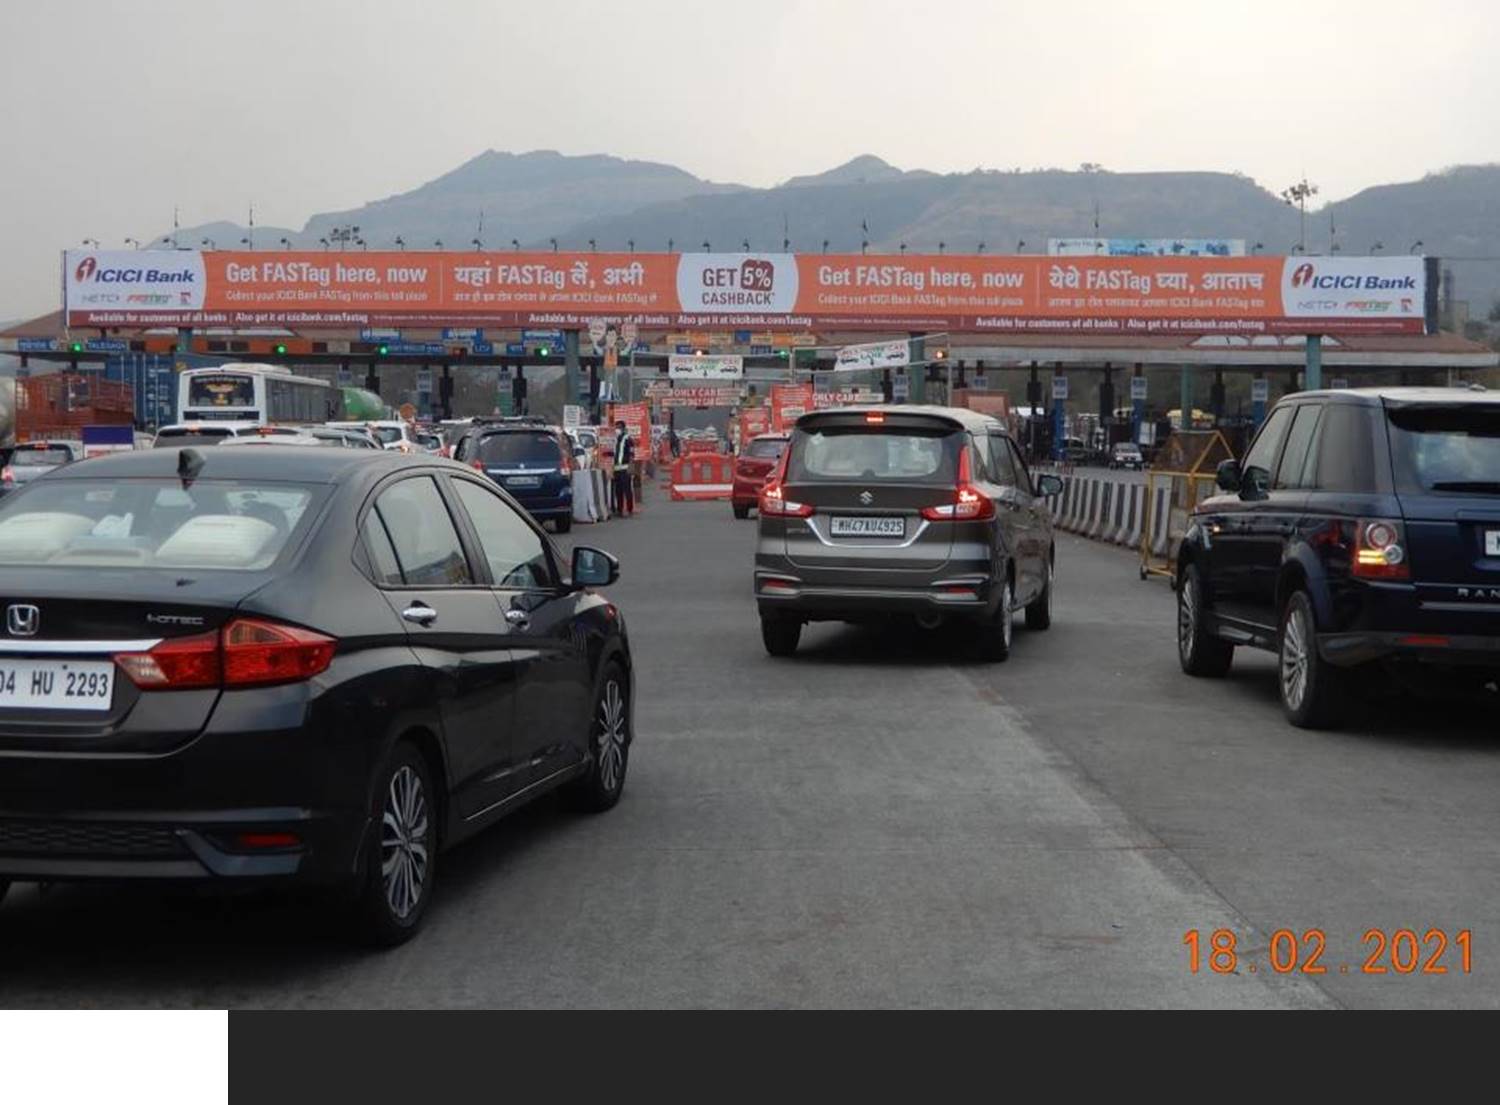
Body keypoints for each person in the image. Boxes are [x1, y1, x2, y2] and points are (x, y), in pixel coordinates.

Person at [612, 420, 635, 516]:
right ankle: (619, 509)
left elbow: (631, 453)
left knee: (627, 489)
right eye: (616, 427)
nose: (617, 429)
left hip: (625, 468)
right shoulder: (614, 439)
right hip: (616, 468)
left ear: (623, 428)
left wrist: (630, 465)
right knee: (618, 490)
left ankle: (630, 509)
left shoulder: (628, 439)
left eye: (619, 427)